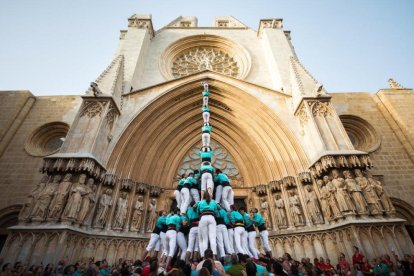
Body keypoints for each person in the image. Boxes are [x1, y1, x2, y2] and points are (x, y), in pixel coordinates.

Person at [197, 193, 219, 258]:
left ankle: (204, 257)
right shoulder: (213, 202)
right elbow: (216, 212)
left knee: (204, 239)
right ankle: (214, 256)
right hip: (211, 218)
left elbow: (198, 212)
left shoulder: (200, 202)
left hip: (203, 218)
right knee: (212, 238)